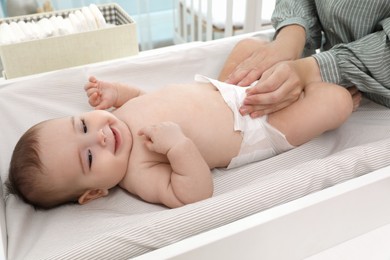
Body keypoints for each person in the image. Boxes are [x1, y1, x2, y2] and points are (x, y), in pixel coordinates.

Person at [7, 56, 355, 209]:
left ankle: (303, 68)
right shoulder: (136, 173)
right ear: (95, 192)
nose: (97, 136)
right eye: (88, 156)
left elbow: (149, 99)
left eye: (82, 125)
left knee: (248, 49)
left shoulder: (119, 119)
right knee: (335, 103)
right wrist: (178, 148)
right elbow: (193, 194)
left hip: (225, 88)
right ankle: (339, 86)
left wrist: (118, 93)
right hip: (257, 130)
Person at [223, 0, 389, 118]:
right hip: (332, 82)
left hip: (378, 89)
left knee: (338, 100)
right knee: (248, 47)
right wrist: (291, 35)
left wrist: (313, 71)